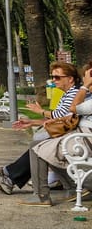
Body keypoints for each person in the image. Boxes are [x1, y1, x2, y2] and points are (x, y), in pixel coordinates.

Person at [0, 62, 86, 196]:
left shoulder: (75, 93)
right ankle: (8, 175)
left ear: (70, 79)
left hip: (73, 135)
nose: (54, 80)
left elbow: (63, 116)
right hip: (69, 133)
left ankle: (9, 176)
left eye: (57, 77)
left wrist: (40, 111)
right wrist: (32, 122)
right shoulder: (68, 93)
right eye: (52, 77)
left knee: (39, 145)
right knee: (39, 142)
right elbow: (59, 120)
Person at [20, 64, 92, 206]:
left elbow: (73, 108)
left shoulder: (85, 94)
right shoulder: (87, 96)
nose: (54, 80)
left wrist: (85, 86)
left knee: (38, 147)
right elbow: (70, 115)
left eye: (87, 77)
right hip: (80, 137)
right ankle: (72, 187)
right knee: (46, 147)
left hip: (85, 140)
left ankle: (41, 195)